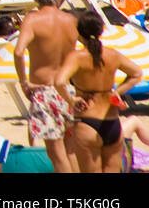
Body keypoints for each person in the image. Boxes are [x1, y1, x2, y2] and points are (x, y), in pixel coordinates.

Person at [56, 9, 142, 173]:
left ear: (79, 33)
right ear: (101, 31)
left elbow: (59, 81)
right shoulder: (113, 55)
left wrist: (71, 100)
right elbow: (137, 74)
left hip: (87, 121)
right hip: (112, 121)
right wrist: (117, 92)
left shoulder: (77, 57)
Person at [14, 0, 80, 172]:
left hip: (44, 92)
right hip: (68, 90)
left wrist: (24, 82)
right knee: (71, 151)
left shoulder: (33, 19)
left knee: (56, 154)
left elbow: (18, 52)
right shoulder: (71, 20)